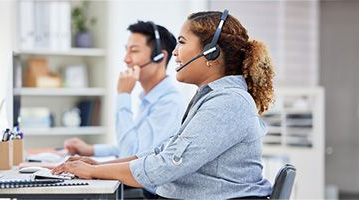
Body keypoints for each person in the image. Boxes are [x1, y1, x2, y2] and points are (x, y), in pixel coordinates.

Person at [52, 10, 275, 199]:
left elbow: (166, 165)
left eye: (182, 42)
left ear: (211, 53)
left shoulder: (229, 102)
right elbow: (162, 151)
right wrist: (96, 167)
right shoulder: (211, 98)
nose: (176, 53)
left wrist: (95, 172)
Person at [63, 21, 185, 158]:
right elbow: (133, 145)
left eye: (134, 51)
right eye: (126, 50)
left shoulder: (169, 103)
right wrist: (91, 150)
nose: (126, 59)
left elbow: (132, 155)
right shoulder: (150, 98)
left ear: (160, 57)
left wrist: (123, 94)